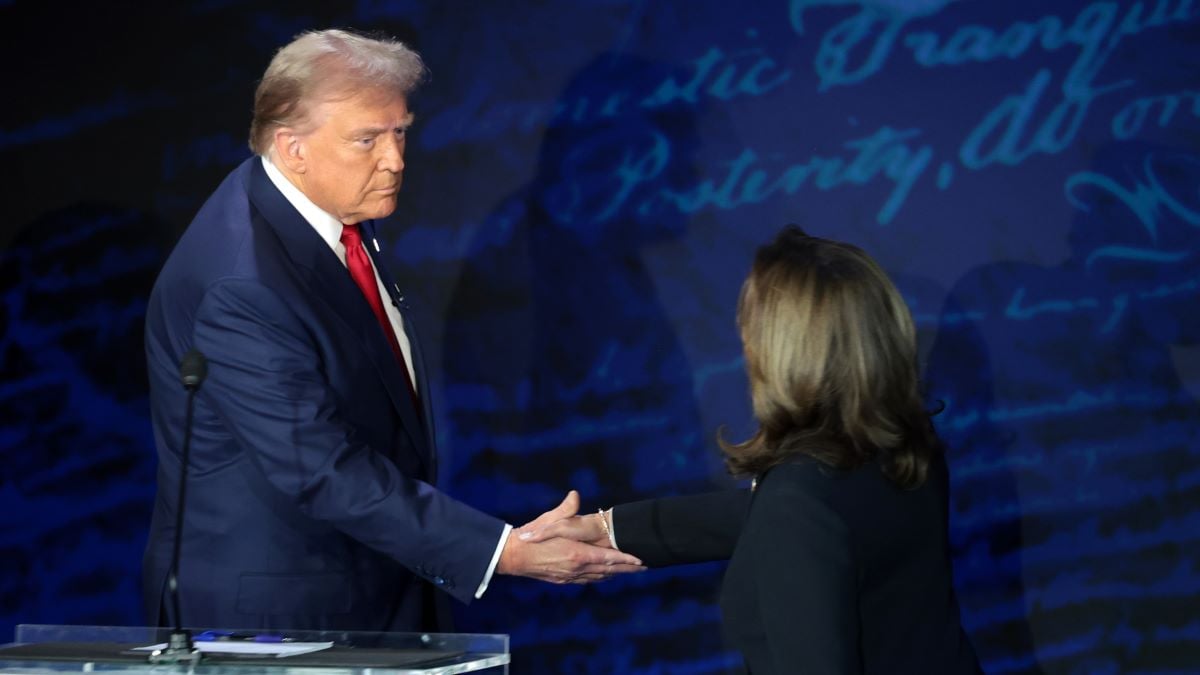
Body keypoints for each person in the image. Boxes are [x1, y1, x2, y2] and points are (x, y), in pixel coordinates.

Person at [142, 28, 642, 633]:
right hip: (280, 622)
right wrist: (498, 551)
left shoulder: (325, 213)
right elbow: (319, 469)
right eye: (367, 140)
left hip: (370, 587)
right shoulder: (241, 284)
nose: (396, 159)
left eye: (400, 131)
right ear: (291, 146)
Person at [523, 226, 982, 673]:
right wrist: (608, 529)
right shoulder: (903, 444)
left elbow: (795, 521)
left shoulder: (800, 501)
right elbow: (792, 520)